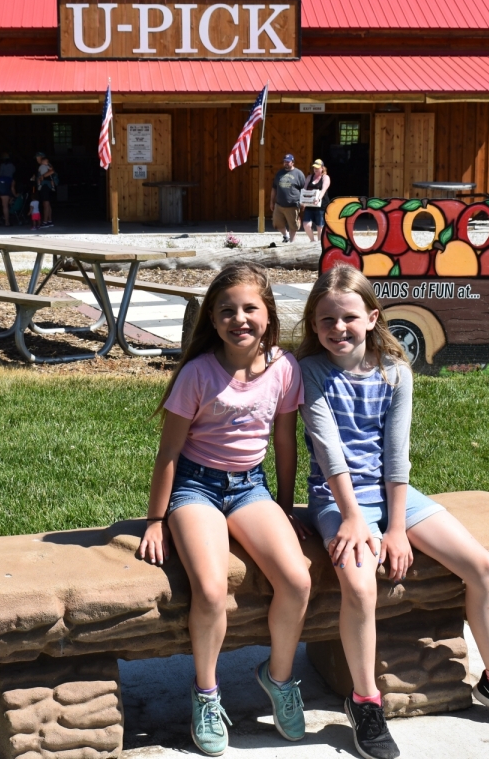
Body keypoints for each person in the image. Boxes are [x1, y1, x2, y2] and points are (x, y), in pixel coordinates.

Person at [296, 264, 489, 759]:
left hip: (396, 495)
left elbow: (397, 454)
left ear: (372, 317)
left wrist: (396, 527)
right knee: (358, 582)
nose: (337, 328)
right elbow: (329, 453)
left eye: (348, 317)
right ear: (313, 325)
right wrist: (353, 519)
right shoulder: (309, 372)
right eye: (324, 319)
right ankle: (365, 699)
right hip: (337, 497)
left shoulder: (395, 371)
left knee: (480, 565)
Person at [138, 261, 312, 757]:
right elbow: (169, 452)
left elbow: (284, 440)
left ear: (269, 314)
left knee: (298, 580)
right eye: (227, 311)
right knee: (212, 590)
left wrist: (282, 507)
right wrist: (156, 518)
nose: (240, 319)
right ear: (212, 321)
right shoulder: (198, 373)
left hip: (250, 488)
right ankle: (207, 693)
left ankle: (278, 678)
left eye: (250, 308)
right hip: (196, 489)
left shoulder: (284, 368)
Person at [270, 154, 306, 243]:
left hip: (293, 205)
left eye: (288, 161)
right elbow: (274, 188)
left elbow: (304, 189)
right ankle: (286, 236)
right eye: (285, 161)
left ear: (292, 162)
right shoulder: (279, 173)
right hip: (279, 204)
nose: (286, 163)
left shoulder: (299, 174)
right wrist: (271, 201)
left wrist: (303, 202)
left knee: (293, 226)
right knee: (277, 223)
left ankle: (292, 243)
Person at [301, 159, 331, 242]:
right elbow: (304, 190)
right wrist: (303, 202)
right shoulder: (309, 177)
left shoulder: (325, 178)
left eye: (317, 168)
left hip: (321, 205)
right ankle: (312, 241)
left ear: (322, 168)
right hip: (310, 204)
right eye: (314, 167)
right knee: (306, 224)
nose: (315, 169)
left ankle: (319, 244)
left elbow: (324, 189)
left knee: (320, 227)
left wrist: (318, 198)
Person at [0, 153, 16, 227]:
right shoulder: (12, 166)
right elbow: (12, 186)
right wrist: (15, 194)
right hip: (5, 183)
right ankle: (7, 223)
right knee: (5, 205)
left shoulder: (1, 165)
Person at [31, 152, 56, 228]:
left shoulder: (47, 163)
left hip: (45, 185)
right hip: (45, 185)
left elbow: (52, 171)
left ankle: (45, 222)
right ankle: (49, 221)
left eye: (38, 157)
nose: (37, 159)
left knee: (46, 203)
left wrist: (42, 176)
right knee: (47, 203)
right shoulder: (41, 165)